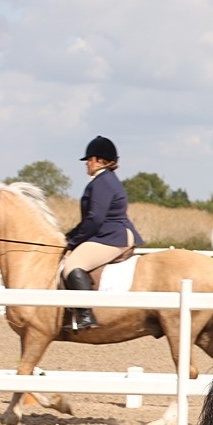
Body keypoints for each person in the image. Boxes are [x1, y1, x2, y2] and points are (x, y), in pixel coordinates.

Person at [63, 136, 144, 331]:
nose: (87, 164)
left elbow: (95, 220)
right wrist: (67, 237)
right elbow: (89, 220)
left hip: (112, 235)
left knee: (72, 266)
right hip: (109, 233)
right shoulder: (105, 180)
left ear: (100, 160)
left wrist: (73, 242)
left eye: (89, 160)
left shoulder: (102, 182)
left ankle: (85, 316)